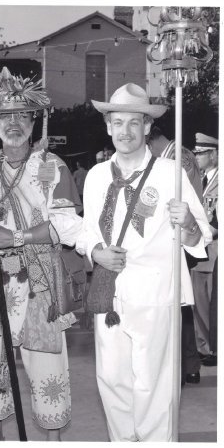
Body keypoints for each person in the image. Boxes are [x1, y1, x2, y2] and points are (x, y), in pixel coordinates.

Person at [0, 67, 83, 441]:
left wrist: (17, 237)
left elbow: (65, 227)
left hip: (40, 287)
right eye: (5, 117)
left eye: (22, 116)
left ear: (33, 122)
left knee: (48, 371)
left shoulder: (52, 168)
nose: (14, 124)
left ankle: (53, 440)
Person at [76, 83, 212, 441]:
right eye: (118, 122)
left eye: (134, 123)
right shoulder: (95, 177)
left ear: (148, 127)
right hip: (110, 293)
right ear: (108, 126)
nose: (125, 131)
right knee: (112, 382)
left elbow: (202, 239)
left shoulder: (171, 175)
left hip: (156, 295)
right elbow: (87, 231)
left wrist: (189, 226)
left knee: (155, 385)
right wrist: (95, 252)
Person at [148, 125, 203, 385]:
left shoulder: (175, 159)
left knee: (180, 304)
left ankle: (185, 365)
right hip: (181, 236)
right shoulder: (177, 155)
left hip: (184, 237)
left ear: (151, 140)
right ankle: (187, 364)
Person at [191, 133, 218, 366]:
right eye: (196, 152)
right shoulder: (200, 179)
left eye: (201, 153)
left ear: (214, 154)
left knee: (212, 300)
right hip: (199, 249)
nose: (197, 156)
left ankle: (213, 347)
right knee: (199, 300)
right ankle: (206, 347)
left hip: (214, 248)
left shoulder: (219, 180)